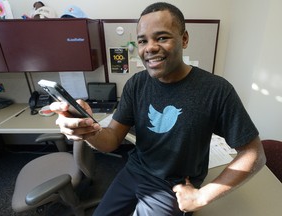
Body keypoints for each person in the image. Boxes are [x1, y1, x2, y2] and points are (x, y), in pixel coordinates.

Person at [51, 2, 266, 216]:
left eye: (162, 37)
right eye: (143, 41)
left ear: (184, 39)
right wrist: (89, 131)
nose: (150, 47)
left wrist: (202, 196)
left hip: (173, 185)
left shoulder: (216, 90)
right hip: (135, 170)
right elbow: (112, 139)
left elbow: (253, 153)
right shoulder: (136, 84)